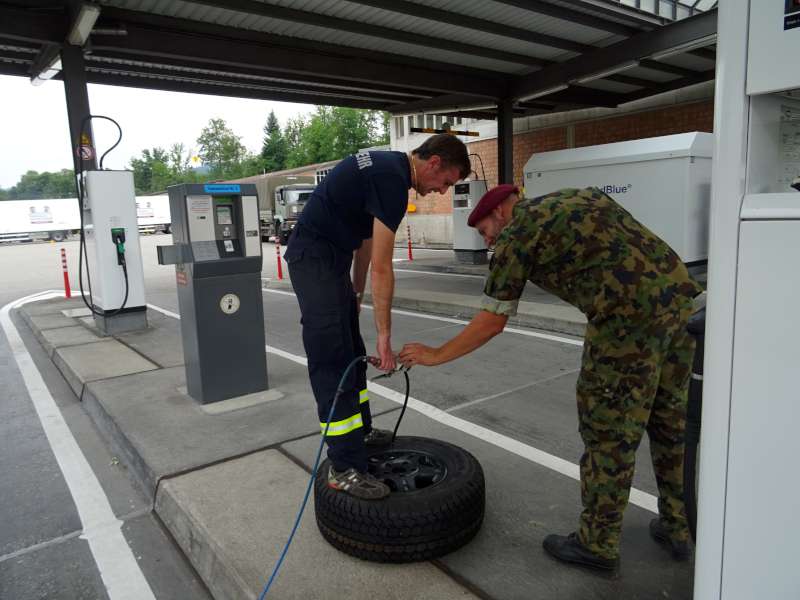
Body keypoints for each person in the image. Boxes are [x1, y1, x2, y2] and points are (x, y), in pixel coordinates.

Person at [399, 184, 702, 570]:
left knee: (608, 432)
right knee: (670, 423)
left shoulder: (516, 236)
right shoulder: (579, 196)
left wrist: (436, 354)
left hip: (627, 324)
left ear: (501, 211)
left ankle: (597, 544)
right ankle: (678, 525)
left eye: (485, 230)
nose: (487, 241)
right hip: (683, 309)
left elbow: (492, 320)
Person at [284, 134, 470, 500]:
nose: (442, 191)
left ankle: (361, 433)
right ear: (433, 163)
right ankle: (343, 468)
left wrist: (356, 293)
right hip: (313, 258)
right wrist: (384, 337)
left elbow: (367, 243)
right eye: (446, 182)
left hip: (331, 260)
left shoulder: (388, 169)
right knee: (332, 359)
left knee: (351, 349)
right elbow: (383, 268)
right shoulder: (392, 181)